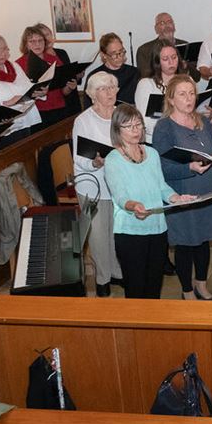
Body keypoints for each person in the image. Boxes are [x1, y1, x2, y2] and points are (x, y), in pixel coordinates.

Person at [104, 104, 195, 299]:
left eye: (139, 125)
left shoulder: (152, 154)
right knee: (135, 287)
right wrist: (134, 206)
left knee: (154, 286)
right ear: (117, 130)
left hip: (157, 228)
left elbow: (161, 186)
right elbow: (120, 197)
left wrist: (176, 198)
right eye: (129, 126)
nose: (135, 130)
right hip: (130, 231)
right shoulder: (113, 159)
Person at [152, 75, 212, 301]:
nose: (189, 98)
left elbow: (210, 152)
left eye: (191, 93)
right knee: (185, 243)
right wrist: (189, 168)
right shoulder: (164, 127)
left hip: (206, 188)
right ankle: (187, 290)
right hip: (181, 192)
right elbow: (161, 167)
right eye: (182, 94)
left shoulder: (204, 122)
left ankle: (201, 284)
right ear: (171, 99)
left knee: (203, 240)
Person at [71, 71, 124, 297]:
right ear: (93, 94)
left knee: (117, 232)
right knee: (99, 236)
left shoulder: (121, 114)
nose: (109, 92)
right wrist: (95, 162)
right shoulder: (83, 121)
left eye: (112, 87)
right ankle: (102, 280)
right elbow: (79, 159)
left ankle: (117, 273)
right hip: (92, 186)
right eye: (103, 89)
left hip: (119, 184)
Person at [0, 32, 44, 136]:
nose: (3, 53)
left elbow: (28, 87)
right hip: (8, 125)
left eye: (5, 49)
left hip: (27, 119)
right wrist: (10, 102)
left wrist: (39, 92)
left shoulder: (14, 66)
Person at [15, 25, 72, 127]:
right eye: (32, 41)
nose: (37, 44)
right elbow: (19, 94)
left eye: (40, 40)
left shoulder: (53, 59)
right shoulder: (19, 64)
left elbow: (63, 90)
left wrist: (69, 87)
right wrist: (36, 94)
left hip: (59, 108)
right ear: (26, 44)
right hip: (36, 112)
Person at [135, 40, 184, 135]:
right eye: (165, 59)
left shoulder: (186, 80)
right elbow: (145, 121)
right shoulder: (146, 84)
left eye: (174, 57)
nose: (171, 62)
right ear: (157, 62)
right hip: (158, 135)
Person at [35, 22, 83, 116]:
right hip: (53, 107)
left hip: (72, 101)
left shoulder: (62, 53)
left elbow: (68, 76)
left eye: (48, 34)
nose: (47, 39)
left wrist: (77, 76)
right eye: (42, 36)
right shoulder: (39, 59)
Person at [83, 32, 140, 106]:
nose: (119, 57)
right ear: (104, 55)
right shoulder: (95, 76)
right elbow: (88, 107)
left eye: (121, 51)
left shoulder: (135, 72)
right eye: (114, 54)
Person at [136, 12, 189, 79]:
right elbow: (145, 75)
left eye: (169, 22)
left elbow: (197, 76)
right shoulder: (144, 50)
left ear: (174, 26)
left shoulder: (186, 45)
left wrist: (186, 66)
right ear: (156, 29)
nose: (167, 26)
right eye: (162, 23)